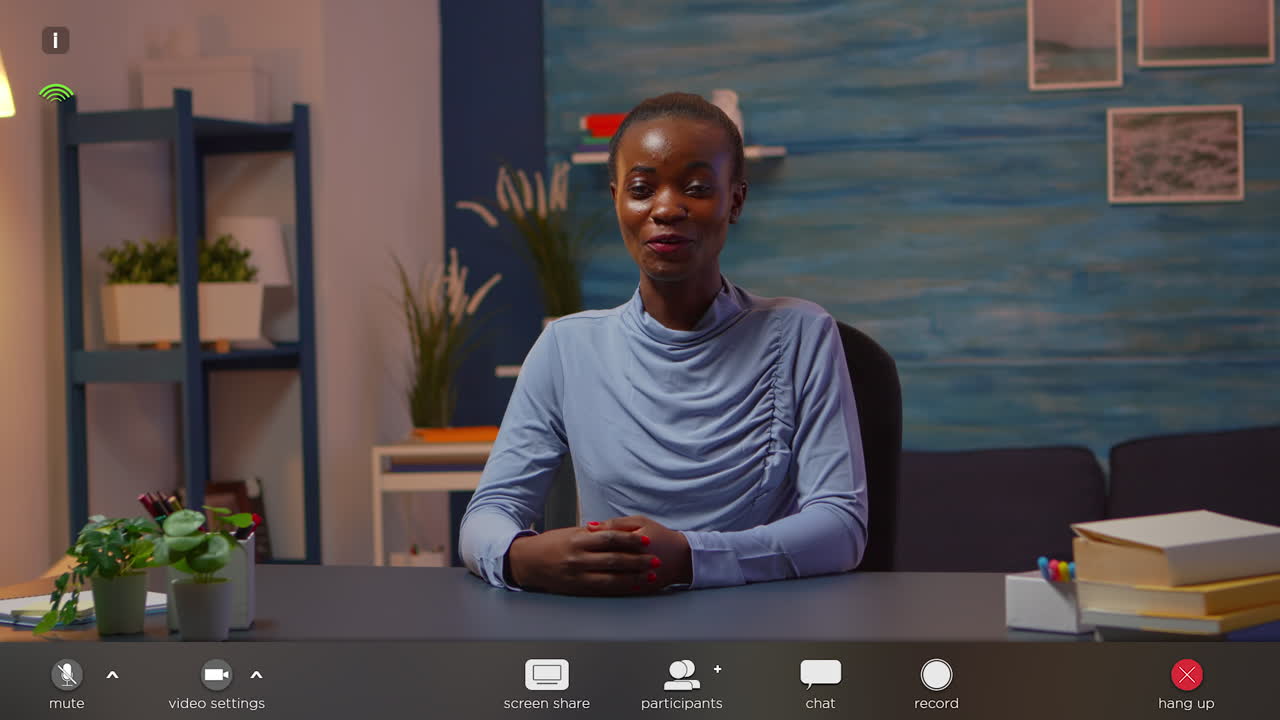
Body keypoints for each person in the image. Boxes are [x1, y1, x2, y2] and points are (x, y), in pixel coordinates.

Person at [459, 92, 868, 595]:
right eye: (641, 188)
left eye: (696, 188)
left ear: (735, 200)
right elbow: (487, 516)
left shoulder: (803, 334)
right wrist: (520, 556)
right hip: (615, 628)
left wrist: (691, 558)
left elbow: (841, 528)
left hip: (762, 626)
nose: (667, 208)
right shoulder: (566, 347)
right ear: (616, 200)